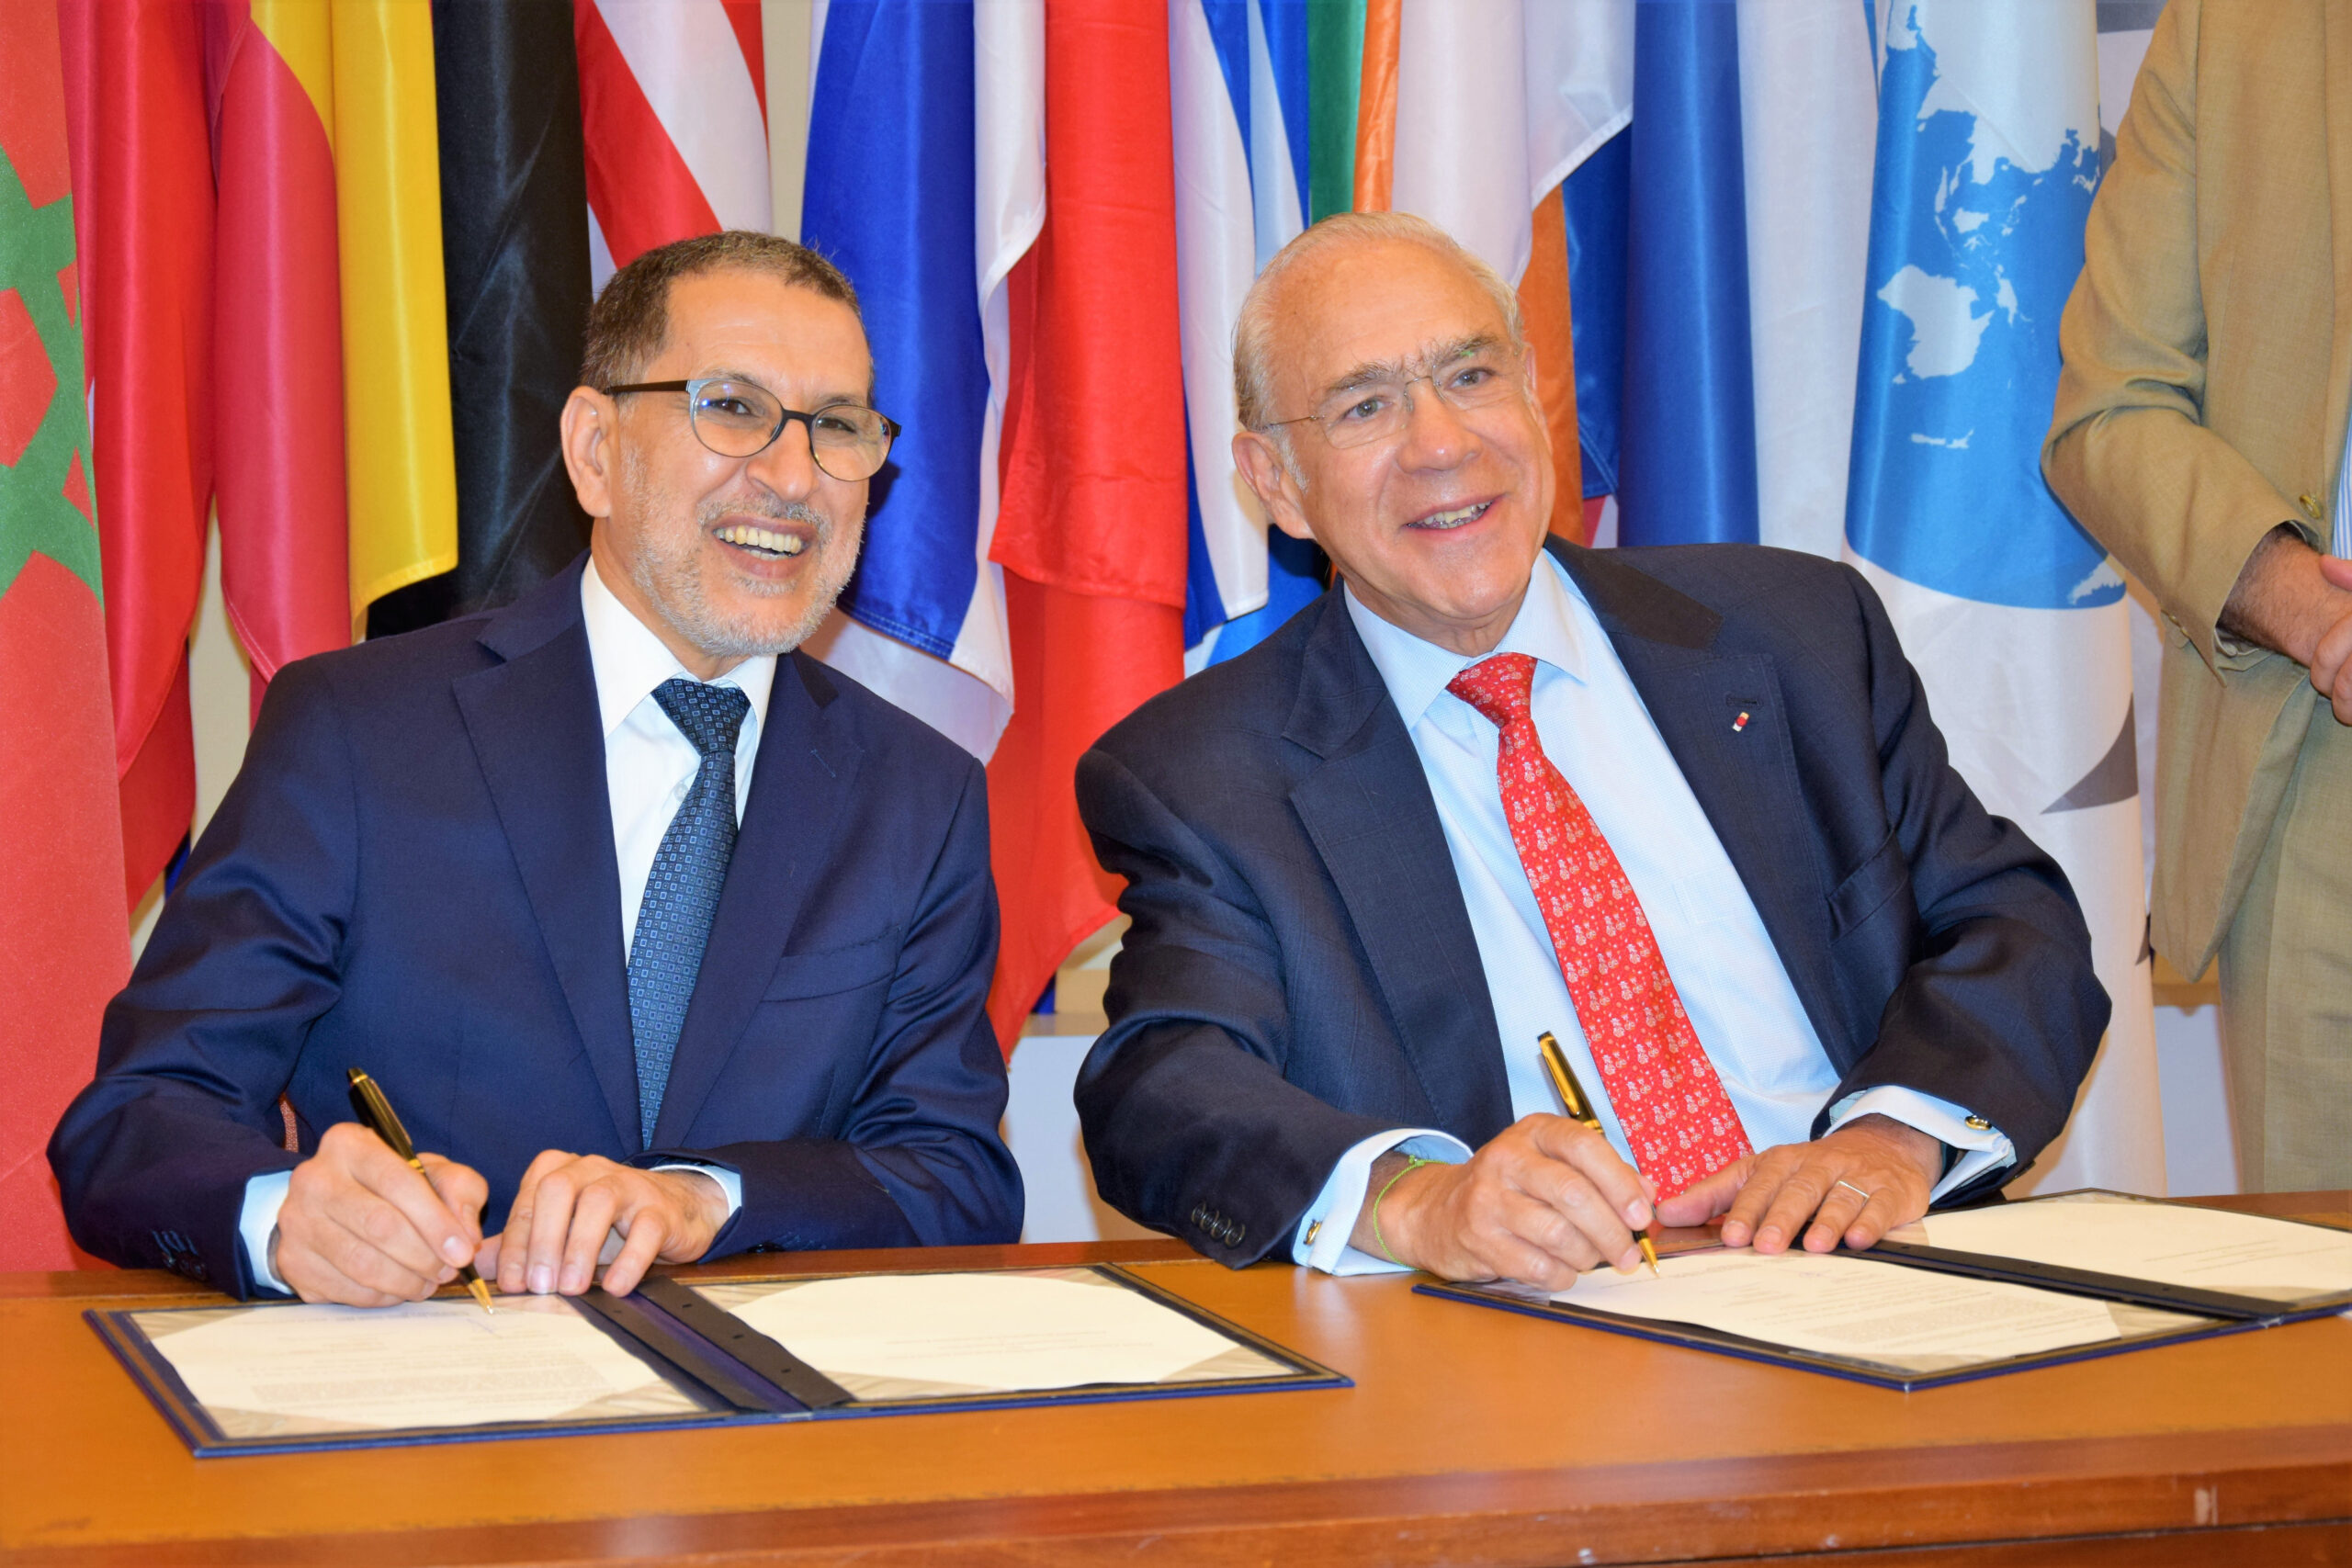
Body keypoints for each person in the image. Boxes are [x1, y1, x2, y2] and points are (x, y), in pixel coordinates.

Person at [1075, 213, 2107, 1288]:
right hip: (1541, 1338)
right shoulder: (1204, 776)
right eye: (1365, 406)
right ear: (1276, 482)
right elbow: (1163, 1085)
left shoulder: (1794, 634)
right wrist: (1413, 1201)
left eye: (1470, 375)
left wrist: (1888, 1143)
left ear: (1532, 394)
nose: (1441, 443)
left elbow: (2009, 919)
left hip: (1876, 1280)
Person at [51, 231, 1022, 1304]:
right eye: (732, 407)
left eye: (837, 427)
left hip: (763, 1398)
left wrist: (710, 1197)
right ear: (595, 450)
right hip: (438, 1383)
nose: (794, 477)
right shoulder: (360, 732)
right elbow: (137, 1117)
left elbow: (954, 1176)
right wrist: (286, 1219)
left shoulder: (919, 795)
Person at [2043, 0, 2352, 1190]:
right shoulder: (2235, 29)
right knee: (2324, 1296)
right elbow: (2109, 410)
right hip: (2319, 770)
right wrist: (2314, 614)